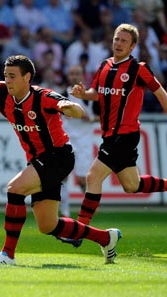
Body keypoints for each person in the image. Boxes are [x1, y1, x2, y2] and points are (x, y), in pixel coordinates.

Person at [0, 55, 122, 266]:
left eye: (13, 76)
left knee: (15, 188)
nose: (8, 80)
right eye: (6, 75)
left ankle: (7, 255)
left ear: (27, 77)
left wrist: (70, 108)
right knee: (47, 225)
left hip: (58, 157)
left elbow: (75, 109)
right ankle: (106, 238)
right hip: (39, 160)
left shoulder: (43, 96)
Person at [62, 23, 167, 248]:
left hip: (125, 135)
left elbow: (161, 94)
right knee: (131, 185)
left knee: (92, 176)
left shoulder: (139, 69)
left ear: (133, 46)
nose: (118, 44)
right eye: (116, 39)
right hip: (110, 135)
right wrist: (83, 94)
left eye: (124, 41)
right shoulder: (104, 66)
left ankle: (79, 231)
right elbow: (99, 95)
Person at [59, 65, 98, 217]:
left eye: (77, 73)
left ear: (82, 76)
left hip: (84, 142)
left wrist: (92, 118)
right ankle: (65, 212)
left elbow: (103, 115)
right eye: (72, 74)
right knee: (63, 176)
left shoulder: (89, 96)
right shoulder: (62, 95)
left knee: (83, 180)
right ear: (68, 76)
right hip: (67, 140)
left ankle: (89, 208)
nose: (74, 76)